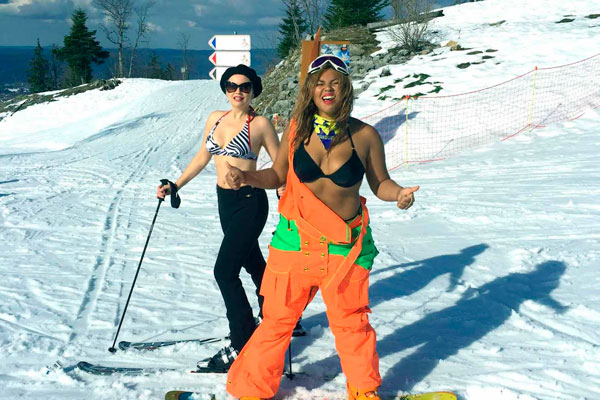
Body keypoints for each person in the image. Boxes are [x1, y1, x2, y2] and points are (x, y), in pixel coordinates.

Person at [223, 54, 419, 400]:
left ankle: (363, 389)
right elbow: (278, 175)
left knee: (352, 322)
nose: (327, 89)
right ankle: (252, 390)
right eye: (320, 83)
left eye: (335, 82)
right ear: (310, 90)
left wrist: (399, 194)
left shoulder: (365, 135)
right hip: (295, 242)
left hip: (346, 246)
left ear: (346, 88)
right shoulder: (296, 130)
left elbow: (380, 184)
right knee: (277, 321)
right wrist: (246, 177)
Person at [157, 64, 283, 372]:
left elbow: (281, 166)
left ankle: (242, 341)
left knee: (225, 272)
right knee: (252, 262)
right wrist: (176, 184)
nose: (238, 91)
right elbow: (203, 156)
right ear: (225, 89)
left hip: (251, 201)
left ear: (253, 90)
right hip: (225, 202)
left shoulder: (261, 124)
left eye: (245, 87)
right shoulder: (215, 118)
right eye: (232, 86)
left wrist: (284, 191)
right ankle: (277, 316)